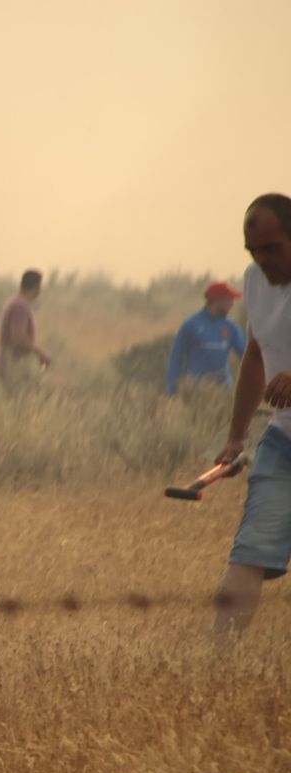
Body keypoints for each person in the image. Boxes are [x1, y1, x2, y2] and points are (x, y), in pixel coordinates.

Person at [213, 193, 291, 641]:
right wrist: (236, 438)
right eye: (254, 253)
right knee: (249, 551)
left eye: (272, 249)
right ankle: (217, 661)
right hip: (283, 441)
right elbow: (255, 356)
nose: (262, 261)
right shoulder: (254, 282)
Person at [167, 281, 247, 395]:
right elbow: (176, 358)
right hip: (195, 391)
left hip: (223, 391)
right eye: (230, 300)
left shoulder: (231, 327)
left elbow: (245, 356)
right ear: (218, 300)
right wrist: (172, 389)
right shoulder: (191, 324)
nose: (232, 304)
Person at [0, 269, 52, 381]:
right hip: (14, 365)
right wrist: (40, 354)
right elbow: (18, 335)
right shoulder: (20, 306)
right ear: (37, 287)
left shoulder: (15, 302)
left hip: (12, 364)